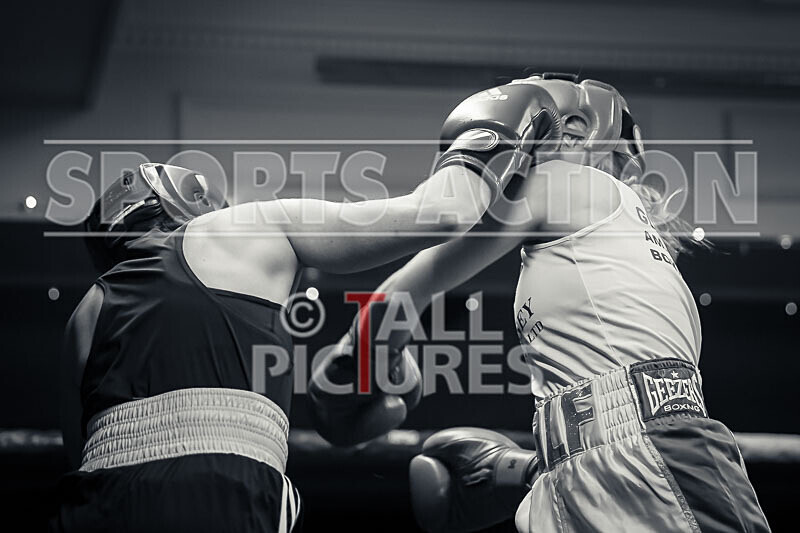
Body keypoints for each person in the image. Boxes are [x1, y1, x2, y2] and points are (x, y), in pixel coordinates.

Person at [52, 78, 564, 532]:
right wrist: (489, 132)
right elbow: (441, 213)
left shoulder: (85, 314)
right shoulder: (235, 229)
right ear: (189, 201)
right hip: (216, 497)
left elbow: (82, 455)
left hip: (93, 508)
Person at [313, 73, 771, 532]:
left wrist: (360, 356)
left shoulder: (576, 185)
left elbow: (412, 284)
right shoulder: (619, 245)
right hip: (605, 465)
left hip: (649, 460)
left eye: (562, 131)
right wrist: (527, 470)